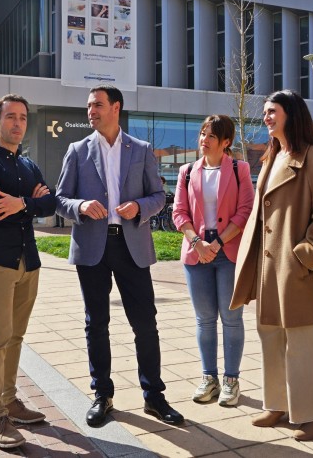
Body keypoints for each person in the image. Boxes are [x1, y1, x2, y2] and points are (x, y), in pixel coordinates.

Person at [55, 84, 184, 427]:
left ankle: (154, 397)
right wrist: (80, 205)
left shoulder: (140, 149)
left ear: (116, 107)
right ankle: (102, 395)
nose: (91, 111)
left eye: (97, 105)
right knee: (96, 323)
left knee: (145, 323)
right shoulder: (77, 150)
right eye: (88, 106)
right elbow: (60, 198)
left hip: (132, 247)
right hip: (92, 248)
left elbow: (159, 196)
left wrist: (138, 207)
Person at [230, 90, 313, 441]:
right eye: (264, 112)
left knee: (305, 341)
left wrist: (305, 255)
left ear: (291, 113)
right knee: (270, 335)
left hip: (297, 267)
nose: (266, 117)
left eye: (272, 111)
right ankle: (277, 403)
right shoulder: (272, 156)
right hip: (267, 267)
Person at [0, 94, 57, 449]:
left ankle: (10, 399)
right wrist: (31, 204)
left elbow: (49, 202)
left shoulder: (28, 166)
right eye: (10, 117)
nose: (18, 124)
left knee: (16, 337)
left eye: (22, 118)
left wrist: (22, 202)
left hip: (28, 262)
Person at [172, 114, 253, 407]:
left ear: (226, 142)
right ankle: (209, 378)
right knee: (204, 319)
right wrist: (197, 243)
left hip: (228, 252)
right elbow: (178, 213)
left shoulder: (238, 168)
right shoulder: (187, 171)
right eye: (203, 135)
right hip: (197, 253)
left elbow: (245, 211)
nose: (204, 141)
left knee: (231, 319)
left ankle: (232, 380)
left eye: (211, 137)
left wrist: (217, 243)